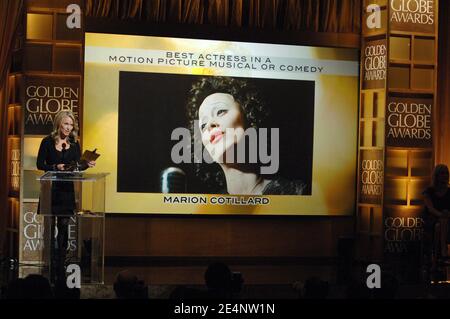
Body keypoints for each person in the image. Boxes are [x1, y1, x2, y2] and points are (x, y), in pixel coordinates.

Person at [186, 76, 307, 195]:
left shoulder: (298, 194)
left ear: (250, 117)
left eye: (220, 111)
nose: (209, 125)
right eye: (203, 125)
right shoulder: (207, 210)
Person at [36, 110, 96, 283]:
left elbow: (76, 166)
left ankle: (60, 263)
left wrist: (87, 164)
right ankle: (50, 264)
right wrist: (55, 166)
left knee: (63, 228)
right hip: (50, 189)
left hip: (66, 191)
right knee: (50, 228)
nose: (69, 128)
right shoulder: (47, 142)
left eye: (71, 125)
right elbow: (40, 163)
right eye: (66, 124)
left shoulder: (74, 144)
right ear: (58, 124)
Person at [423, 164, 450, 259]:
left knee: (441, 224)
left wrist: (445, 215)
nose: (445, 175)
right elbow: (430, 208)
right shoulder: (429, 191)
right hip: (432, 218)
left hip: (447, 220)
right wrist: (441, 215)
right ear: (436, 175)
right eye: (442, 173)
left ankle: (437, 255)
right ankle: (443, 250)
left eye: (447, 173)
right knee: (439, 224)